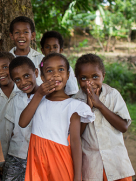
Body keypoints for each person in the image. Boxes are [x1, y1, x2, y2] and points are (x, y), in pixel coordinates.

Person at [19, 53, 95, 181]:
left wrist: (77, 176)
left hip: (59, 160)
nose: (56, 74)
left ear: (68, 75)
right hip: (37, 159)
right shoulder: (37, 100)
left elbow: (76, 142)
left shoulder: (73, 106)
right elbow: (22, 122)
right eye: (49, 71)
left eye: (61, 69)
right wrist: (38, 94)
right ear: (42, 77)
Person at [73, 54, 135, 181]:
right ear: (77, 79)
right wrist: (88, 109)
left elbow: (123, 126)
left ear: (103, 76)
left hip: (117, 164)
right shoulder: (75, 102)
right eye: (84, 78)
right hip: (92, 166)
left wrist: (100, 105)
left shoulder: (112, 95)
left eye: (95, 76)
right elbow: (76, 134)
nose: (90, 82)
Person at [1, 57, 40, 181]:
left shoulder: (47, 98)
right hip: (15, 154)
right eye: (17, 80)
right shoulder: (15, 100)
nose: (23, 82)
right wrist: (2, 158)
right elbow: (7, 131)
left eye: (27, 76)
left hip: (39, 156)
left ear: (36, 73)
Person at [40, 30, 79, 95]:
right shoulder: (39, 66)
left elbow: (72, 92)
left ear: (61, 50)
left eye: (55, 47)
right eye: (47, 47)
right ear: (42, 50)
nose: (51, 50)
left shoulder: (66, 67)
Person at [8, 16, 44, 85]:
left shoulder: (41, 59)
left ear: (32, 35)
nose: (21, 35)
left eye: (26, 32)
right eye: (17, 32)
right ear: (11, 36)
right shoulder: (4, 61)